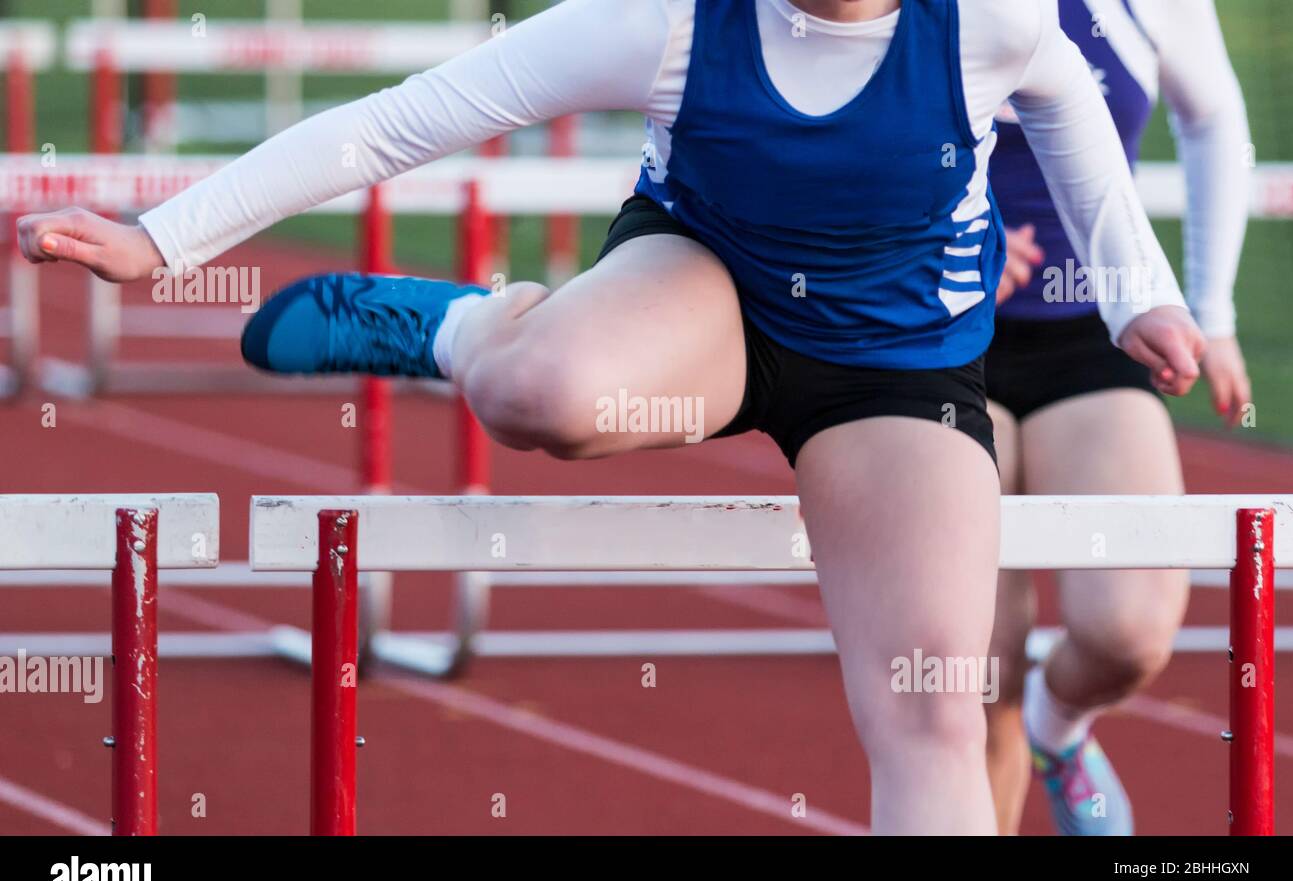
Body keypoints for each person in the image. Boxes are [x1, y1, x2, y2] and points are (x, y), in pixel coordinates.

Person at [16, 0, 1205, 835]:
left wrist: (1139, 291)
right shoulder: (668, 22)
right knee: (542, 395)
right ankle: (465, 326)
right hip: (704, 299)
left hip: (894, 369)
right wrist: (163, 236)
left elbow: (1070, 118)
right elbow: (404, 118)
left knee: (935, 715)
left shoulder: (989, 19)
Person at [983, 0, 1250, 835]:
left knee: (1131, 630)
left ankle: (1055, 733)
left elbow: (1214, 122)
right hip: (936, 339)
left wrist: (1212, 312)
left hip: (1100, 335)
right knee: (967, 670)